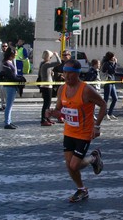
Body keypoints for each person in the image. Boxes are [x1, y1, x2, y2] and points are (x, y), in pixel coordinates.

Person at [46, 59, 107, 203]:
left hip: (84, 132)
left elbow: (103, 104)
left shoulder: (86, 90)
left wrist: (97, 126)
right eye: (64, 73)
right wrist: (52, 113)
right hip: (69, 131)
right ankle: (82, 189)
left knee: (74, 165)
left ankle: (93, 158)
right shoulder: (62, 89)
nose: (66, 76)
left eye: (69, 73)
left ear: (77, 74)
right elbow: (60, 111)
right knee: (69, 165)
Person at [0, 47, 26, 130]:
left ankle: (9, 121)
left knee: (10, 105)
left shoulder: (9, 62)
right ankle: (7, 123)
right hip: (10, 86)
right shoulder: (6, 63)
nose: (16, 54)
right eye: (15, 53)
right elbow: (11, 75)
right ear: (11, 54)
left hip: (12, 86)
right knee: (8, 105)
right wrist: (19, 79)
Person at [38, 50, 61, 126]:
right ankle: (43, 119)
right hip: (47, 86)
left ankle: (47, 118)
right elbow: (59, 62)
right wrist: (57, 55)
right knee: (46, 104)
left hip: (46, 85)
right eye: (51, 56)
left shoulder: (42, 64)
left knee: (48, 104)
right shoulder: (46, 64)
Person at [101, 51, 118, 121]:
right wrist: (115, 63)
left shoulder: (111, 63)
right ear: (110, 57)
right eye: (113, 56)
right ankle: (105, 114)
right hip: (107, 82)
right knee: (106, 98)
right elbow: (112, 71)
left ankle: (110, 113)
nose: (114, 58)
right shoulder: (106, 64)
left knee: (115, 98)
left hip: (112, 81)